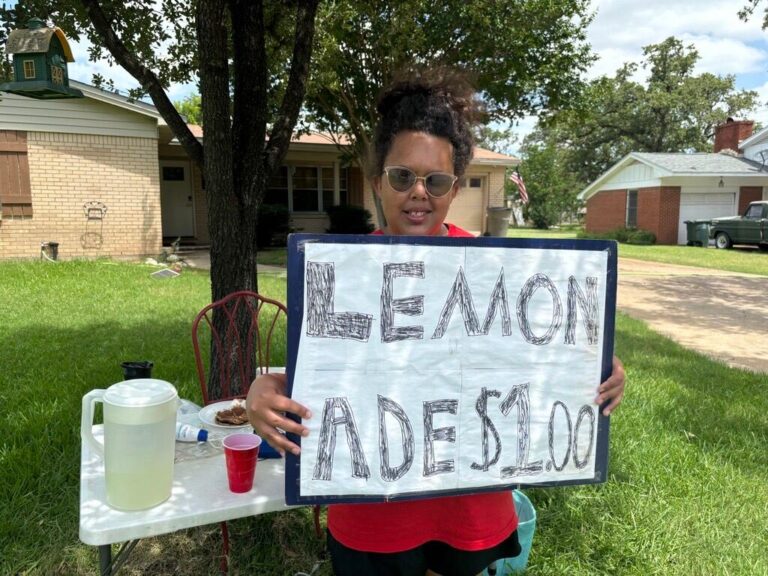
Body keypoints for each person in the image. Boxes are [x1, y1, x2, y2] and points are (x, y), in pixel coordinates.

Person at [246, 68, 626, 576]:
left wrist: (594, 367)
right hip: (371, 518)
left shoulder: (501, 270)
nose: (418, 192)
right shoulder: (341, 270)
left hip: (471, 512)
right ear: (378, 180)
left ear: (454, 186)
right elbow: (326, 370)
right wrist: (263, 389)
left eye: (436, 180)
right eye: (402, 176)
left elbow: (541, 358)